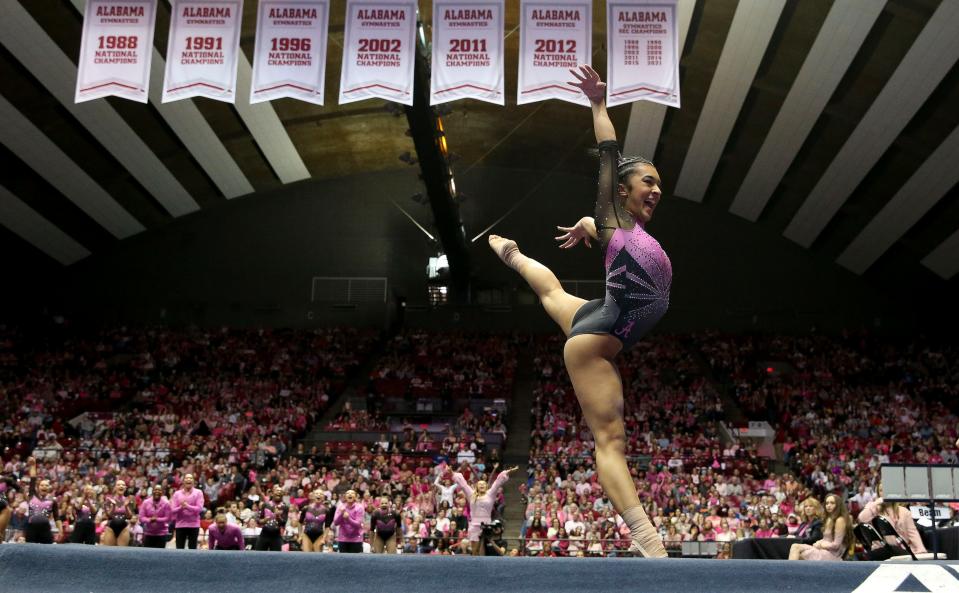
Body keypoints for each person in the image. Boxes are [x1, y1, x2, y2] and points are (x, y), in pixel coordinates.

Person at [487, 63, 670, 558]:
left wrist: (589, 224)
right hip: (602, 338)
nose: (655, 190)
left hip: (602, 314)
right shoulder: (615, 215)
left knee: (553, 296)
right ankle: (649, 542)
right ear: (625, 190)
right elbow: (608, 153)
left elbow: (604, 226)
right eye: (647, 182)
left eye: (658, 184)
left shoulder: (624, 230)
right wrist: (597, 104)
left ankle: (510, 252)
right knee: (610, 442)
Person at [451, 464, 518, 555]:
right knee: (475, 551)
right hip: (474, 525)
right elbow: (463, 484)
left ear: (486, 486)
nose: (482, 485)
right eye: (479, 484)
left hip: (487, 525)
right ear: (476, 487)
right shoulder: (471, 494)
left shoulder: (490, 494)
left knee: (484, 549)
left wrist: (508, 471)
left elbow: (498, 481)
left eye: (483, 484)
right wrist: (451, 472)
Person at [857, 489, 926, 560]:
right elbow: (861, 519)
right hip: (881, 548)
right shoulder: (873, 509)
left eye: (887, 490)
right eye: (881, 490)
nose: (885, 493)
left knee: (896, 550)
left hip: (903, 549)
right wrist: (876, 503)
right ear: (878, 493)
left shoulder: (904, 511)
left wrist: (921, 550)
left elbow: (913, 533)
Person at [788, 494, 853, 561]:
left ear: (838, 505)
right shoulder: (829, 519)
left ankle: (790, 571)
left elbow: (836, 546)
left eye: (832, 503)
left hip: (832, 554)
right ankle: (791, 570)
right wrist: (819, 542)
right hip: (823, 550)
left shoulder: (840, 520)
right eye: (827, 503)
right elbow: (826, 539)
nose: (829, 505)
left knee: (798, 554)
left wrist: (821, 545)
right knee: (794, 546)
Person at [172, 474, 204, 549]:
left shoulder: (198, 492)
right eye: (186, 478)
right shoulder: (177, 494)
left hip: (194, 525)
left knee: (192, 549)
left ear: (193, 481)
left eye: (190, 478)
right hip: (180, 525)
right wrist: (181, 507)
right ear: (183, 481)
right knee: (179, 549)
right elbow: (172, 510)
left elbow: (199, 509)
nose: (188, 479)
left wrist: (187, 506)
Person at [255, 485, 289, 552]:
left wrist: (278, 517)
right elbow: (259, 521)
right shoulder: (265, 505)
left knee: (276, 557)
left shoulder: (285, 507)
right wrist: (264, 520)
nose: (279, 492)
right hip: (264, 534)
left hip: (276, 536)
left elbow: (283, 523)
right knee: (258, 555)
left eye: (280, 491)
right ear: (273, 493)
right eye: (277, 491)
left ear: (282, 495)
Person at [100, 480, 133, 547]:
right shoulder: (109, 499)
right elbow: (108, 516)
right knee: (109, 551)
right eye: (118, 485)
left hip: (124, 528)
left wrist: (126, 506)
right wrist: (113, 506)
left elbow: (130, 516)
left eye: (123, 485)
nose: (121, 486)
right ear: (115, 487)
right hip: (111, 527)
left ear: (125, 488)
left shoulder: (128, 500)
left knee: (122, 552)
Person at [25, 478, 58, 544]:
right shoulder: (32, 496)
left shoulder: (53, 501)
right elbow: (32, 479)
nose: (44, 487)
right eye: (42, 485)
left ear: (49, 488)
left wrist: (61, 530)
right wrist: (33, 467)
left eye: (46, 485)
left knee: (47, 549)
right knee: (30, 548)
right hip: (32, 527)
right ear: (38, 487)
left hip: (45, 528)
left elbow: (57, 517)